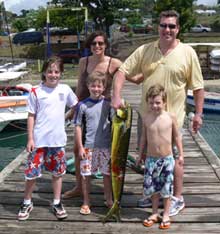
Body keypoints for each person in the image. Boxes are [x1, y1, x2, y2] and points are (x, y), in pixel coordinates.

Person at [111, 10, 204, 216]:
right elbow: (122, 72)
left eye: (171, 26)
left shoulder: (188, 52)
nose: (167, 29)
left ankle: (176, 198)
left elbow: (198, 87)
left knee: (174, 158)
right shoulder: (145, 50)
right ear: (158, 27)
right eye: (163, 25)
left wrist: (198, 114)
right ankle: (154, 193)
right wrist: (116, 96)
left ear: (178, 29)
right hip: (147, 118)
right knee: (148, 156)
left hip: (173, 119)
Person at [63, 31, 142, 199]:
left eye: (100, 43)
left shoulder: (113, 63)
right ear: (89, 46)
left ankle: (111, 188)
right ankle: (79, 187)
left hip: (105, 112)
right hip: (85, 109)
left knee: (108, 151)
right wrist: (72, 110)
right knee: (78, 149)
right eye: (93, 44)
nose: (97, 46)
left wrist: (151, 70)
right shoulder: (83, 62)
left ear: (106, 45)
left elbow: (134, 78)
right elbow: (79, 89)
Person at [17, 56, 78, 221]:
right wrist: (30, 138)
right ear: (44, 72)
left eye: (57, 71)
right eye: (50, 71)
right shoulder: (36, 91)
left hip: (57, 141)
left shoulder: (65, 90)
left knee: (57, 174)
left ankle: (57, 202)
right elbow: (31, 115)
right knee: (31, 174)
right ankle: (27, 201)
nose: (53, 74)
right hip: (38, 142)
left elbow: (76, 105)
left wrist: (66, 118)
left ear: (61, 73)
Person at [137, 84, 183, 229]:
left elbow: (177, 137)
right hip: (151, 159)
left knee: (166, 188)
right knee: (153, 188)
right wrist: (140, 155)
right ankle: (155, 212)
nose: (154, 105)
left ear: (164, 102)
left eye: (158, 102)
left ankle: (167, 214)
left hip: (167, 159)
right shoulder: (146, 118)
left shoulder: (170, 117)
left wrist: (181, 154)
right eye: (151, 103)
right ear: (147, 103)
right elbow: (144, 138)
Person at [74, 71, 113, 215]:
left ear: (104, 87)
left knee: (106, 174)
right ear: (88, 86)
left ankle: (108, 199)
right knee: (86, 175)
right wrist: (80, 147)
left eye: (99, 86)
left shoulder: (108, 104)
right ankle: (86, 201)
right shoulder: (82, 105)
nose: (96, 89)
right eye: (93, 86)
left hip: (106, 146)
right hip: (88, 146)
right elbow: (78, 126)